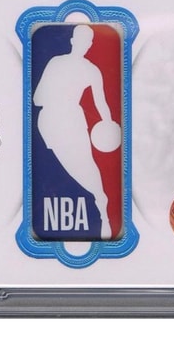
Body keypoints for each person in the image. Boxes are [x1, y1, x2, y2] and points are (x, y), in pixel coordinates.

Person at [33, 25, 114, 240]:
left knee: (83, 165)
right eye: (83, 41)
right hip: (56, 121)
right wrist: (107, 122)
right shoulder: (80, 68)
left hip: (63, 120)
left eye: (87, 41)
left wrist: (108, 124)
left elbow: (38, 98)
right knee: (79, 166)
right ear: (75, 42)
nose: (84, 45)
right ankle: (100, 201)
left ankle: (101, 203)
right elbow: (37, 99)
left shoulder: (78, 67)